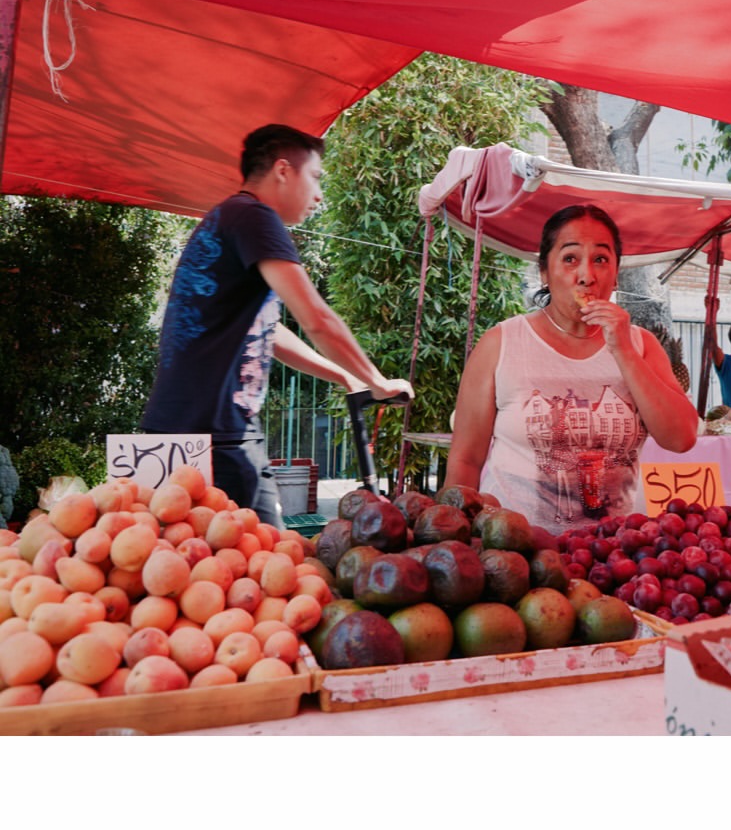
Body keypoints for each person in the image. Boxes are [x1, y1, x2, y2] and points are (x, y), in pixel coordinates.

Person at [142, 124, 413, 527]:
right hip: (218, 437)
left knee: (187, 574)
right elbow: (317, 318)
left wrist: (343, 375)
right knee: (265, 566)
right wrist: (377, 381)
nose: (319, 195)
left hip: (175, 430)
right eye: (316, 178)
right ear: (283, 170)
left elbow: (270, 334)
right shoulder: (254, 217)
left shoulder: (228, 217)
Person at [444, 204, 699, 534]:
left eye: (601, 260)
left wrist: (622, 350)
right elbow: (466, 459)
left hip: (613, 557)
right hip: (515, 556)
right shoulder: (501, 343)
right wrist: (454, 537)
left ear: (616, 272)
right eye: (570, 259)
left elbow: (681, 438)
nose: (586, 276)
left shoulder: (640, 345)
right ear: (544, 271)